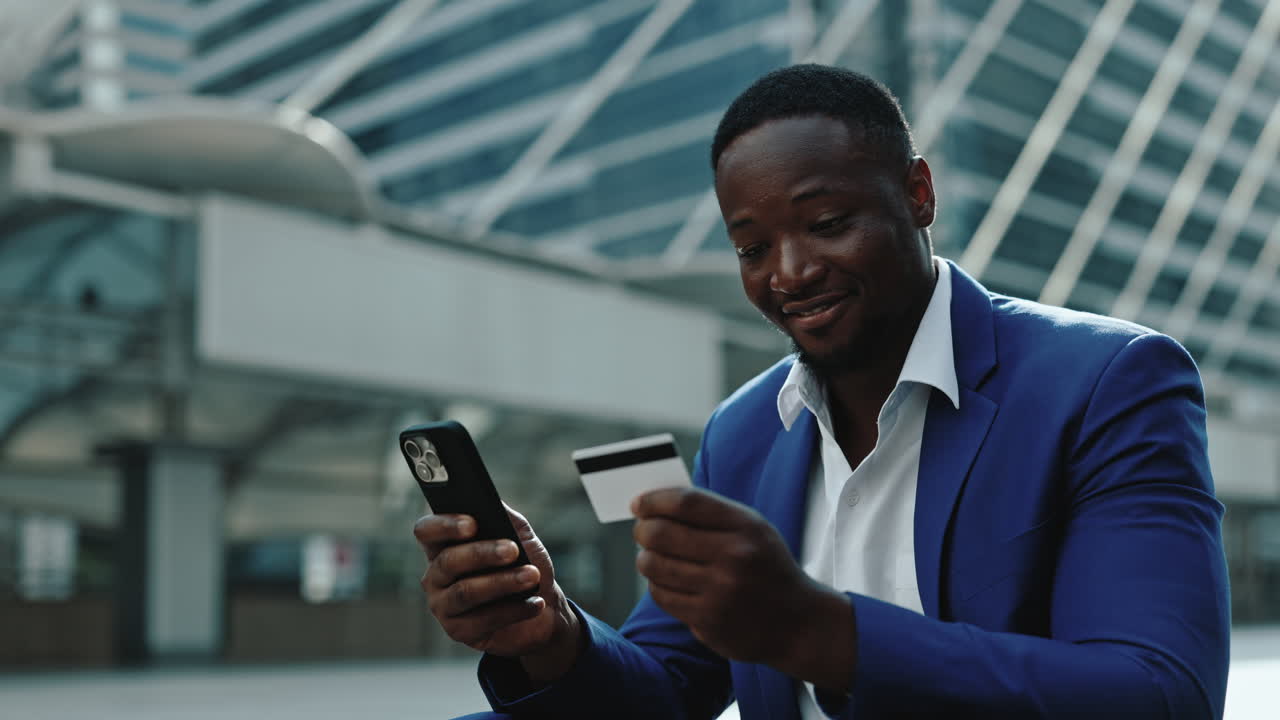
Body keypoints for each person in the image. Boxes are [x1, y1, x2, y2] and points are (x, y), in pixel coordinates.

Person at [414, 64, 1230, 719]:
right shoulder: (744, 432)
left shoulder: (1109, 382)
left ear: (918, 194)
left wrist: (819, 632)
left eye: (828, 222)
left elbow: (1160, 694)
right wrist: (550, 631)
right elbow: (668, 689)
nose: (790, 272)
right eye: (752, 246)